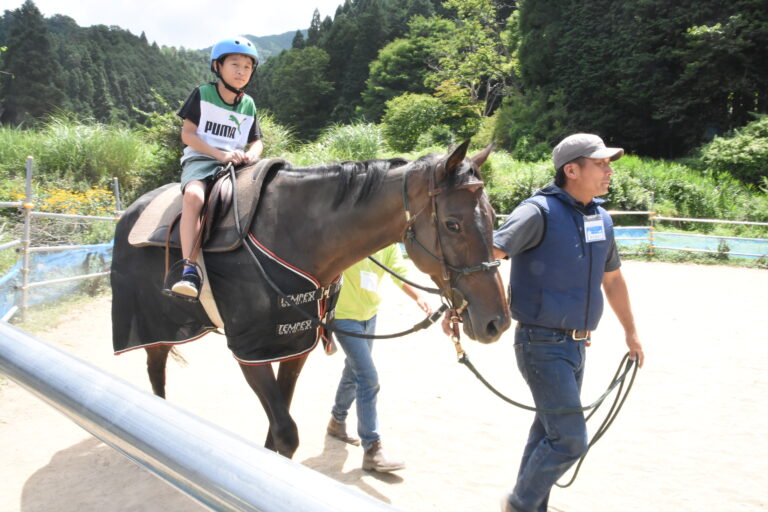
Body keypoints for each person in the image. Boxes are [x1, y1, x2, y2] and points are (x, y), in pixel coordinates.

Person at [493, 133, 645, 512]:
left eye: (609, 163)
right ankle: (519, 505)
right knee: (570, 440)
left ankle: (531, 506)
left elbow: (612, 279)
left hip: (577, 345)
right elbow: (489, 253)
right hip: (540, 344)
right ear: (571, 170)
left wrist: (631, 332)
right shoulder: (536, 211)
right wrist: (460, 306)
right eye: (601, 163)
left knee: (548, 431)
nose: (609, 170)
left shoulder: (601, 217)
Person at [171, 37, 264, 298]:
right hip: (202, 160)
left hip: (236, 164)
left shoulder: (249, 104)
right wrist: (219, 155)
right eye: (234, 64)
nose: (241, 71)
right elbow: (188, 135)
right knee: (194, 196)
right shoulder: (202, 94)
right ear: (217, 66)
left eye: (247, 66)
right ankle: (188, 269)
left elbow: (257, 141)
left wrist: (250, 155)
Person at [326, 244, 432, 472]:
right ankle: (372, 449)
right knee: (367, 377)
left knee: (353, 371)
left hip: (369, 315)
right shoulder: (354, 234)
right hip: (344, 317)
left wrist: (418, 297)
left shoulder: (390, 245)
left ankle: (337, 421)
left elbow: (398, 273)